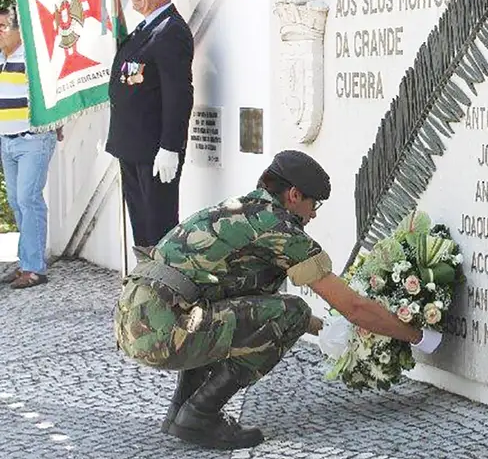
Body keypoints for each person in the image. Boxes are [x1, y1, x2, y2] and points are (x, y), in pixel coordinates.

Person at [113, 150, 442, 450]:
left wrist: (324, 329)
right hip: (164, 331)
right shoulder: (279, 229)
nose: (313, 214)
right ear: (294, 195)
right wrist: (418, 336)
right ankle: (200, 414)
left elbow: (247, 306)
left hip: (133, 320)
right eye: (314, 204)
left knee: (226, 314)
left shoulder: (237, 210)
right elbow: (354, 307)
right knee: (293, 310)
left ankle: (180, 411)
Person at [106, 0, 194, 256]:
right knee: (142, 229)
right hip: (132, 147)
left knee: (159, 230)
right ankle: (146, 292)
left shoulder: (171, 31)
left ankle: (165, 293)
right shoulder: (144, 30)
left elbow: (179, 93)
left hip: (154, 152)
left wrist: (170, 146)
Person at [0, 5, 64, 289]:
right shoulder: (1, 58)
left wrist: (58, 122)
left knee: (28, 199)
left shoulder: (34, 60)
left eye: (2, 27)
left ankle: (35, 268)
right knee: (16, 201)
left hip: (32, 139)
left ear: (18, 29)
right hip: (7, 140)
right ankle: (25, 261)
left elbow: (56, 93)